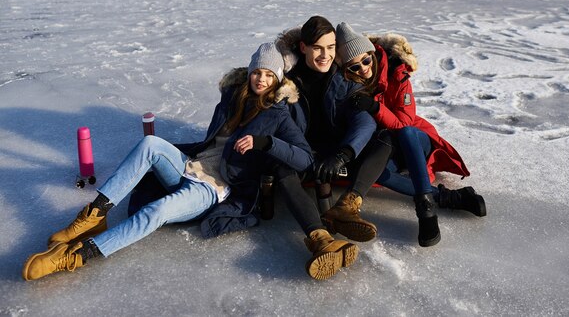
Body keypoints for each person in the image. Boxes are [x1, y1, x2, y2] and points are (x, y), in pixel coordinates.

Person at [23, 42, 357, 281]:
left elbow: (303, 158)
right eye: (257, 72)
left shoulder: (280, 115)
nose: (261, 80)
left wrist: (264, 142)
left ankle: (77, 256)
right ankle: (92, 217)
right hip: (192, 165)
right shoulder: (232, 98)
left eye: (269, 75)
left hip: (216, 187)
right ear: (250, 72)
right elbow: (210, 142)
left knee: (156, 211)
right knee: (151, 142)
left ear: (277, 79)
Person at [334, 22, 486, 247]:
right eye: (355, 67)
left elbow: (404, 122)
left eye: (366, 60)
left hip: (415, 141)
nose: (364, 69)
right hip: (387, 149)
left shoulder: (397, 73)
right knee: (374, 173)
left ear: (372, 53)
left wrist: (375, 108)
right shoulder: (350, 87)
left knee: (405, 132)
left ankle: (426, 210)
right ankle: (449, 197)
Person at [275, 16, 382, 243]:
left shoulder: (343, 78)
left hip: (337, 153)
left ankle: (345, 208)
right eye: (317, 48)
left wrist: (343, 154)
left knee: (383, 139)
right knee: (281, 167)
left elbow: (365, 122)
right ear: (303, 47)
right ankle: (319, 237)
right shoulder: (286, 83)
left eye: (331, 47)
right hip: (302, 153)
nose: (325, 55)